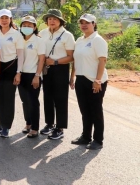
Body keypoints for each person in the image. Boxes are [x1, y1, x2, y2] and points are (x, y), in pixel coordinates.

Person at [70, 13, 108, 150]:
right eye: (81, 22)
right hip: (81, 79)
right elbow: (75, 60)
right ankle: (86, 136)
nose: (84, 25)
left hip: (95, 81)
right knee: (85, 110)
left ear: (94, 24)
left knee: (95, 110)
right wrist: (72, 76)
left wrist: (97, 80)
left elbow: (102, 60)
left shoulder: (98, 40)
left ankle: (98, 140)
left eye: (87, 22)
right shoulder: (79, 40)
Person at [39, 9, 75, 140]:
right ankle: (49, 124)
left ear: (60, 21)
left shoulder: (67, 35)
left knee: (60, 99)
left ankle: (60, 128)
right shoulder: (42, 33)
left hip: (60, 68)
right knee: (47, 97)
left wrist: (55, 61)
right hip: (46, 68)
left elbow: (71, 57)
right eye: (49, 19)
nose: (52, 21)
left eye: (55, 19)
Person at [0, 9, 25, 138]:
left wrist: (19, 73)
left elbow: (21, 55)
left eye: (7, 18)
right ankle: (1, 123)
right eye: (2, 18)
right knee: (0, 98)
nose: (4, 20)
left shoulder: (16, 34)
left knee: (9, 98)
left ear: (11, 19)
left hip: (12, 68)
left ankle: (7, 126)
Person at [17, 15, 45, 138]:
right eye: (24, 25)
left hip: (33, 74)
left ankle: (35, 127)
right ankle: (28, 123)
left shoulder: (39, 41)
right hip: (21, 74)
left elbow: (41, 59)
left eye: (30, 25)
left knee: (33, 101)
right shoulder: (19, 39)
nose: (27, 27)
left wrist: (37, 76)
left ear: (34, 27)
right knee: (24, 101)